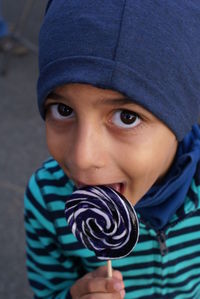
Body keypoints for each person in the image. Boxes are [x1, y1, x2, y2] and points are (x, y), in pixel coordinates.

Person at [24, 1, 200, 298]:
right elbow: (48, 290)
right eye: (63, 109)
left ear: (180, 118)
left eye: (126, 117)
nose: (82, 157)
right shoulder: (47, 200)